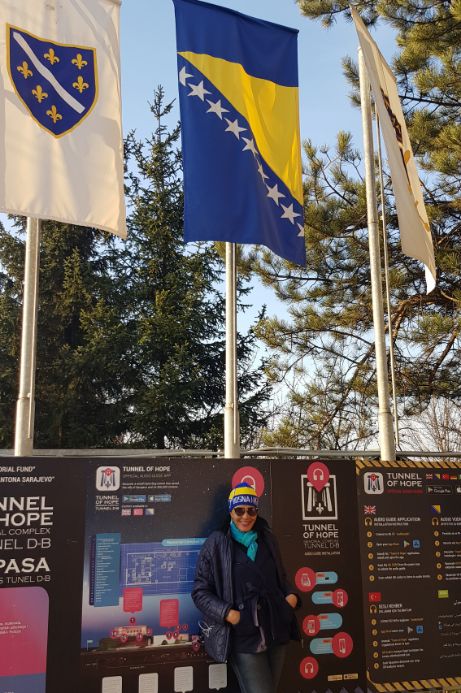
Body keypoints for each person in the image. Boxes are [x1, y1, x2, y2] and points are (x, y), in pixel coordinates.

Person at [192, 482, 300, 693]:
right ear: (230, 511)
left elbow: (281, 577)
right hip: (243, 635)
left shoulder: (268, 538)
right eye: (239, 510)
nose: (246, 516)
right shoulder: (217, 543)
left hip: (276, 628)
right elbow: (200, 591)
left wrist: (291, 596)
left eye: (251, 510)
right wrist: (227, 613)